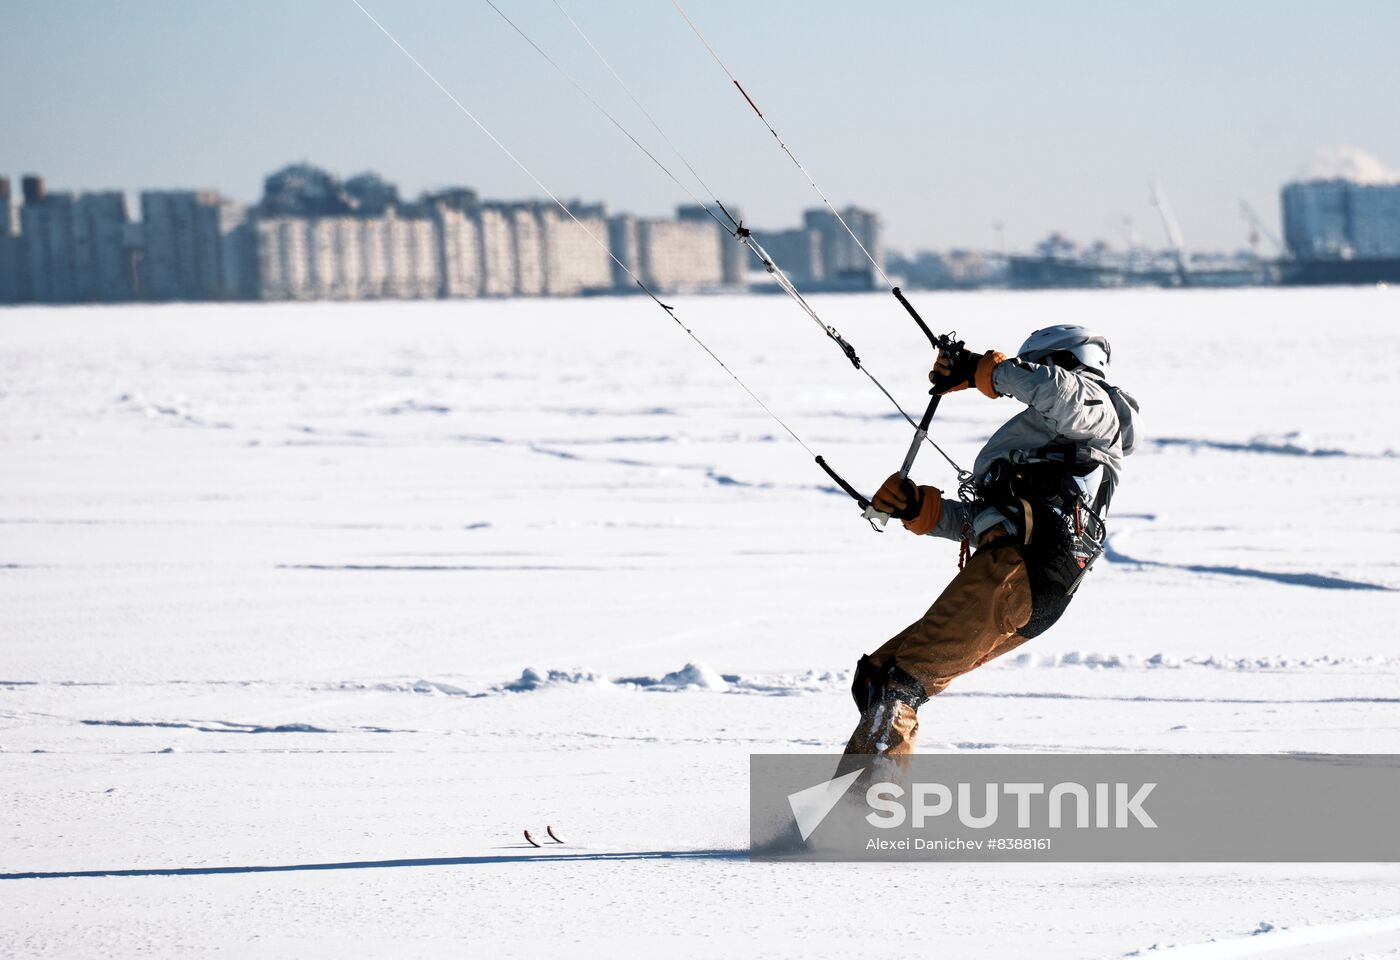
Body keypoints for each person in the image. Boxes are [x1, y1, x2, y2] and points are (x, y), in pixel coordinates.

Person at [842, 324, 1139, 759]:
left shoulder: (1101, 412)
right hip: (1013, 575)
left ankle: (861, 818)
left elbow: (1060, 392)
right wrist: (920, 509)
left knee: (898, 684)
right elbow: (988, 520)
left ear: (1069, 364)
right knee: (877, 676)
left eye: (1033, 367)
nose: (1025, 378)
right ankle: (852, 805)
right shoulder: (1045, 441)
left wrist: (988, 371)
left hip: (1020, 573)